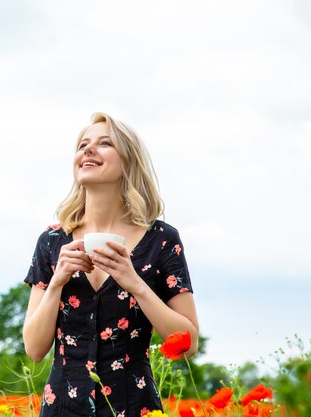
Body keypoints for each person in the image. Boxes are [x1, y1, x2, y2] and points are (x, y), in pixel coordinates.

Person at [22, 112, 199, 417]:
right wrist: (57, 282)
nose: (88, 150)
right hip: (63, 408)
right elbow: (35, 350)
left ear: (128, 163)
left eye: (104, 144)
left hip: (134, 406)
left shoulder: (162, 240)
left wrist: (134, 283)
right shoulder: (51, 242)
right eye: (83, 145)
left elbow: (188, 344)